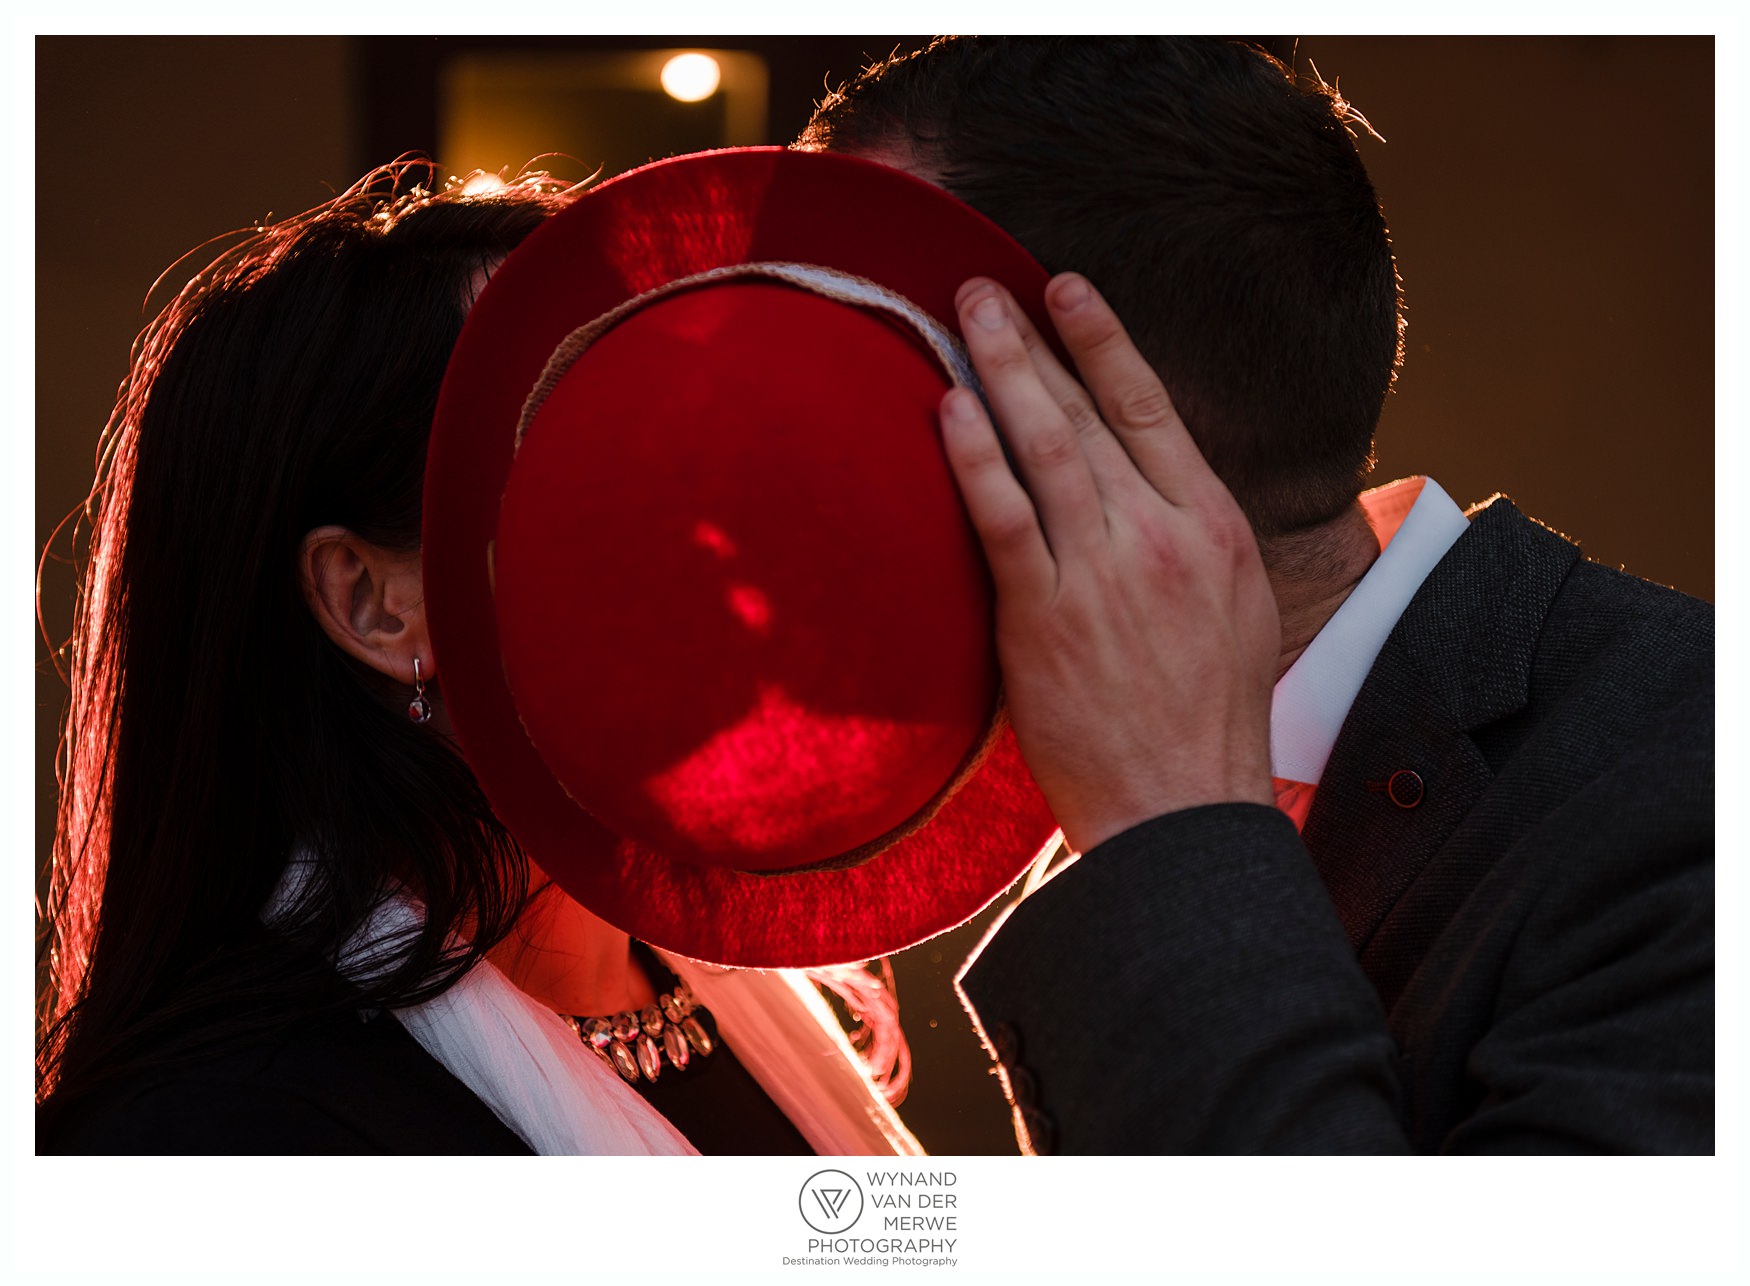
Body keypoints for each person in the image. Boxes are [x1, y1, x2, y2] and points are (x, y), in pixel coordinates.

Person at [800, 35, 1714, 1153]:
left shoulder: (1700, 787)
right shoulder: (1097, 774)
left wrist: (1174, 835)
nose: (790, 445)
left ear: (1097, 411)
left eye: (854, 354)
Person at [34, 160, 919, 1156]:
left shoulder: (729, 995)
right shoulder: (217, 1137)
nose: (724, 527)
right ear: (376, 603)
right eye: (603, 460)